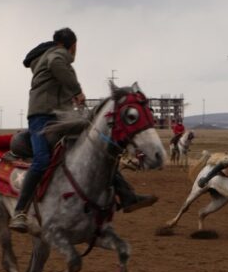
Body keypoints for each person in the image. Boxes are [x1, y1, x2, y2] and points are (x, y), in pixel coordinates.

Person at [10, 28, 158, 233]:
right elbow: (56, 65)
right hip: (42, 117)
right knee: (42, 159)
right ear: (72, 46)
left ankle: (127, 195)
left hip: (60, 115)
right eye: (76, 47)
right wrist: (77, 91)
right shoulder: (57, 55)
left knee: (95, 148)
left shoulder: (47, 57)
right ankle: (20, 211)